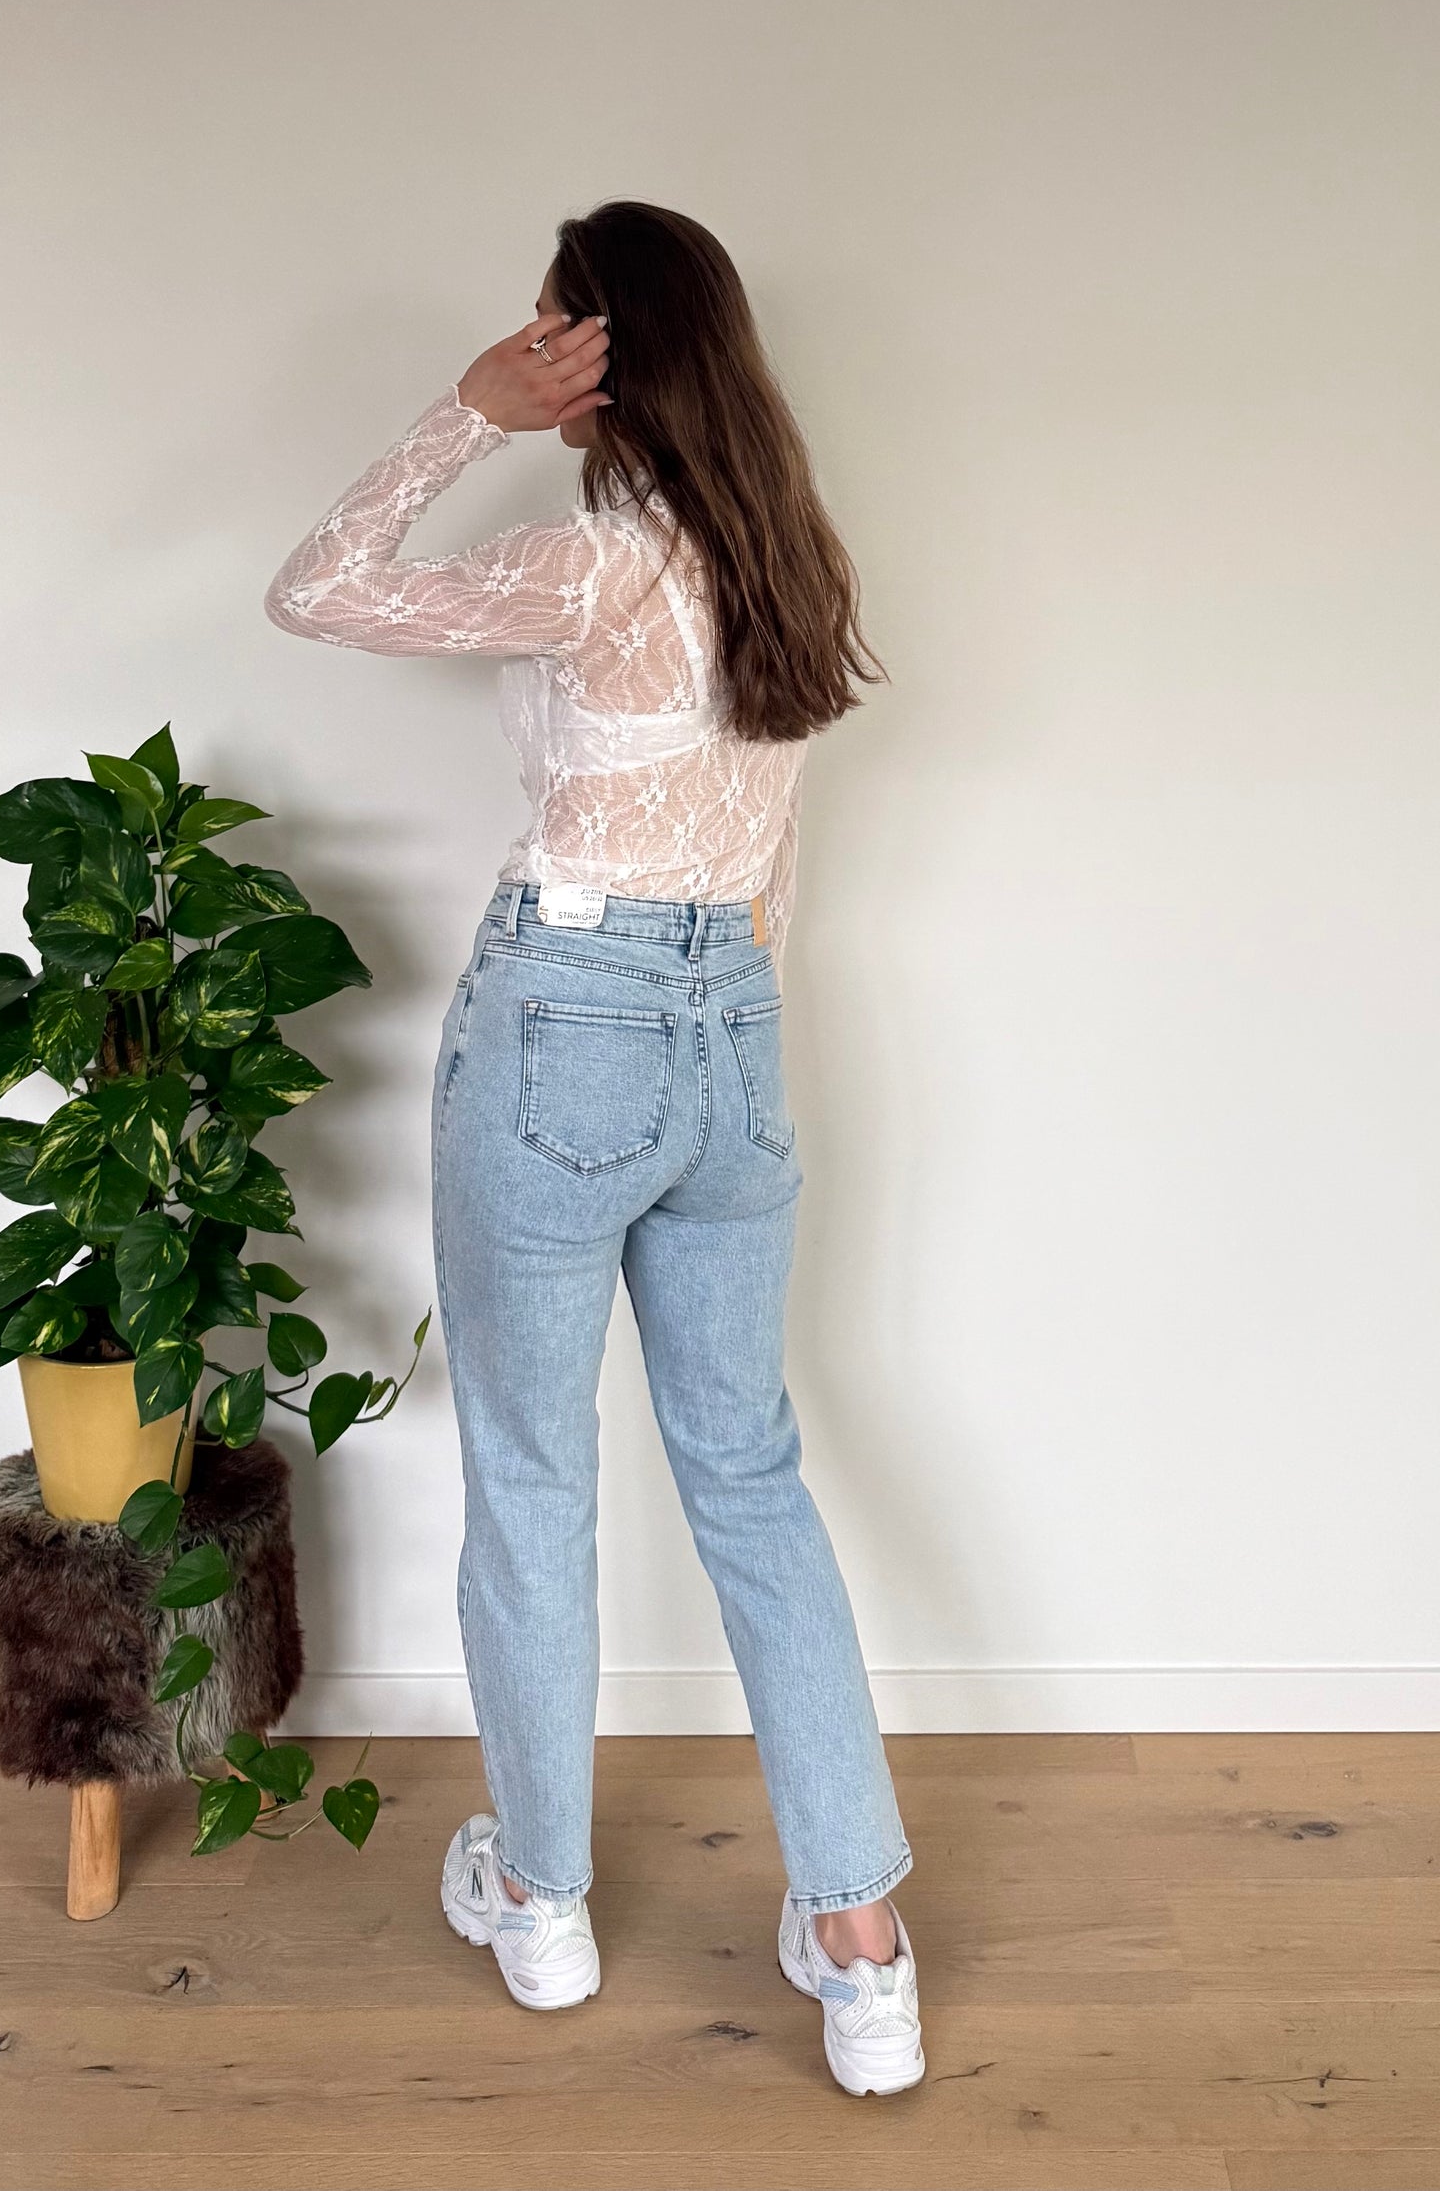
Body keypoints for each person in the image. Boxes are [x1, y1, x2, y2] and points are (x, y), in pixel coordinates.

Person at [264, 200, 922, 2097]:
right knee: (752, 1472)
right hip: (737, 1029)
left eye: (553, 322)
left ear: (602, 352)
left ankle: (542, 1901)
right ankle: (864, 1947)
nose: (533, 343)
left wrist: (465, 412)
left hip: (568, 1020)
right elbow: (770, 859)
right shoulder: (786, 550)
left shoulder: (597, 559)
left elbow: (318, 587)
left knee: (535, 1474)